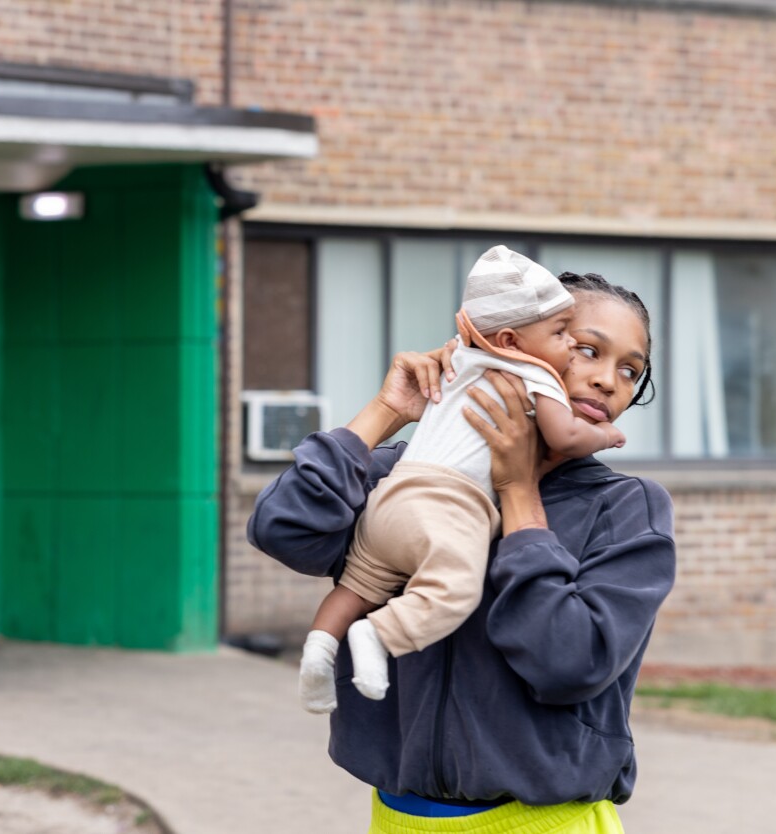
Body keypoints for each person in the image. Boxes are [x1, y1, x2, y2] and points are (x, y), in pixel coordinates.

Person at [248, 272, 674, 833]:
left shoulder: (624, 508)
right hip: (399, 821)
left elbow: (572, 662)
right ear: (519, 343)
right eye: (587, 350)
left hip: (547, 824)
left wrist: (519, 498)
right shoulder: (406, 476)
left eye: (630, 370)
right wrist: (385, 411)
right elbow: (283, 529)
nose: (606, 381)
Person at [298, 246, 625, 714]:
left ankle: (319, 648)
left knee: (357, 585)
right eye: (564, 334)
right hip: (447, 505)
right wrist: (605, 435)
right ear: (512, 340)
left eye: (630, 370)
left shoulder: (460, 360)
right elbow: (564, 434)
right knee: (452, 589)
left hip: (393, 494)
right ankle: (376, 634)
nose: (570, 348)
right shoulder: (535, 373)